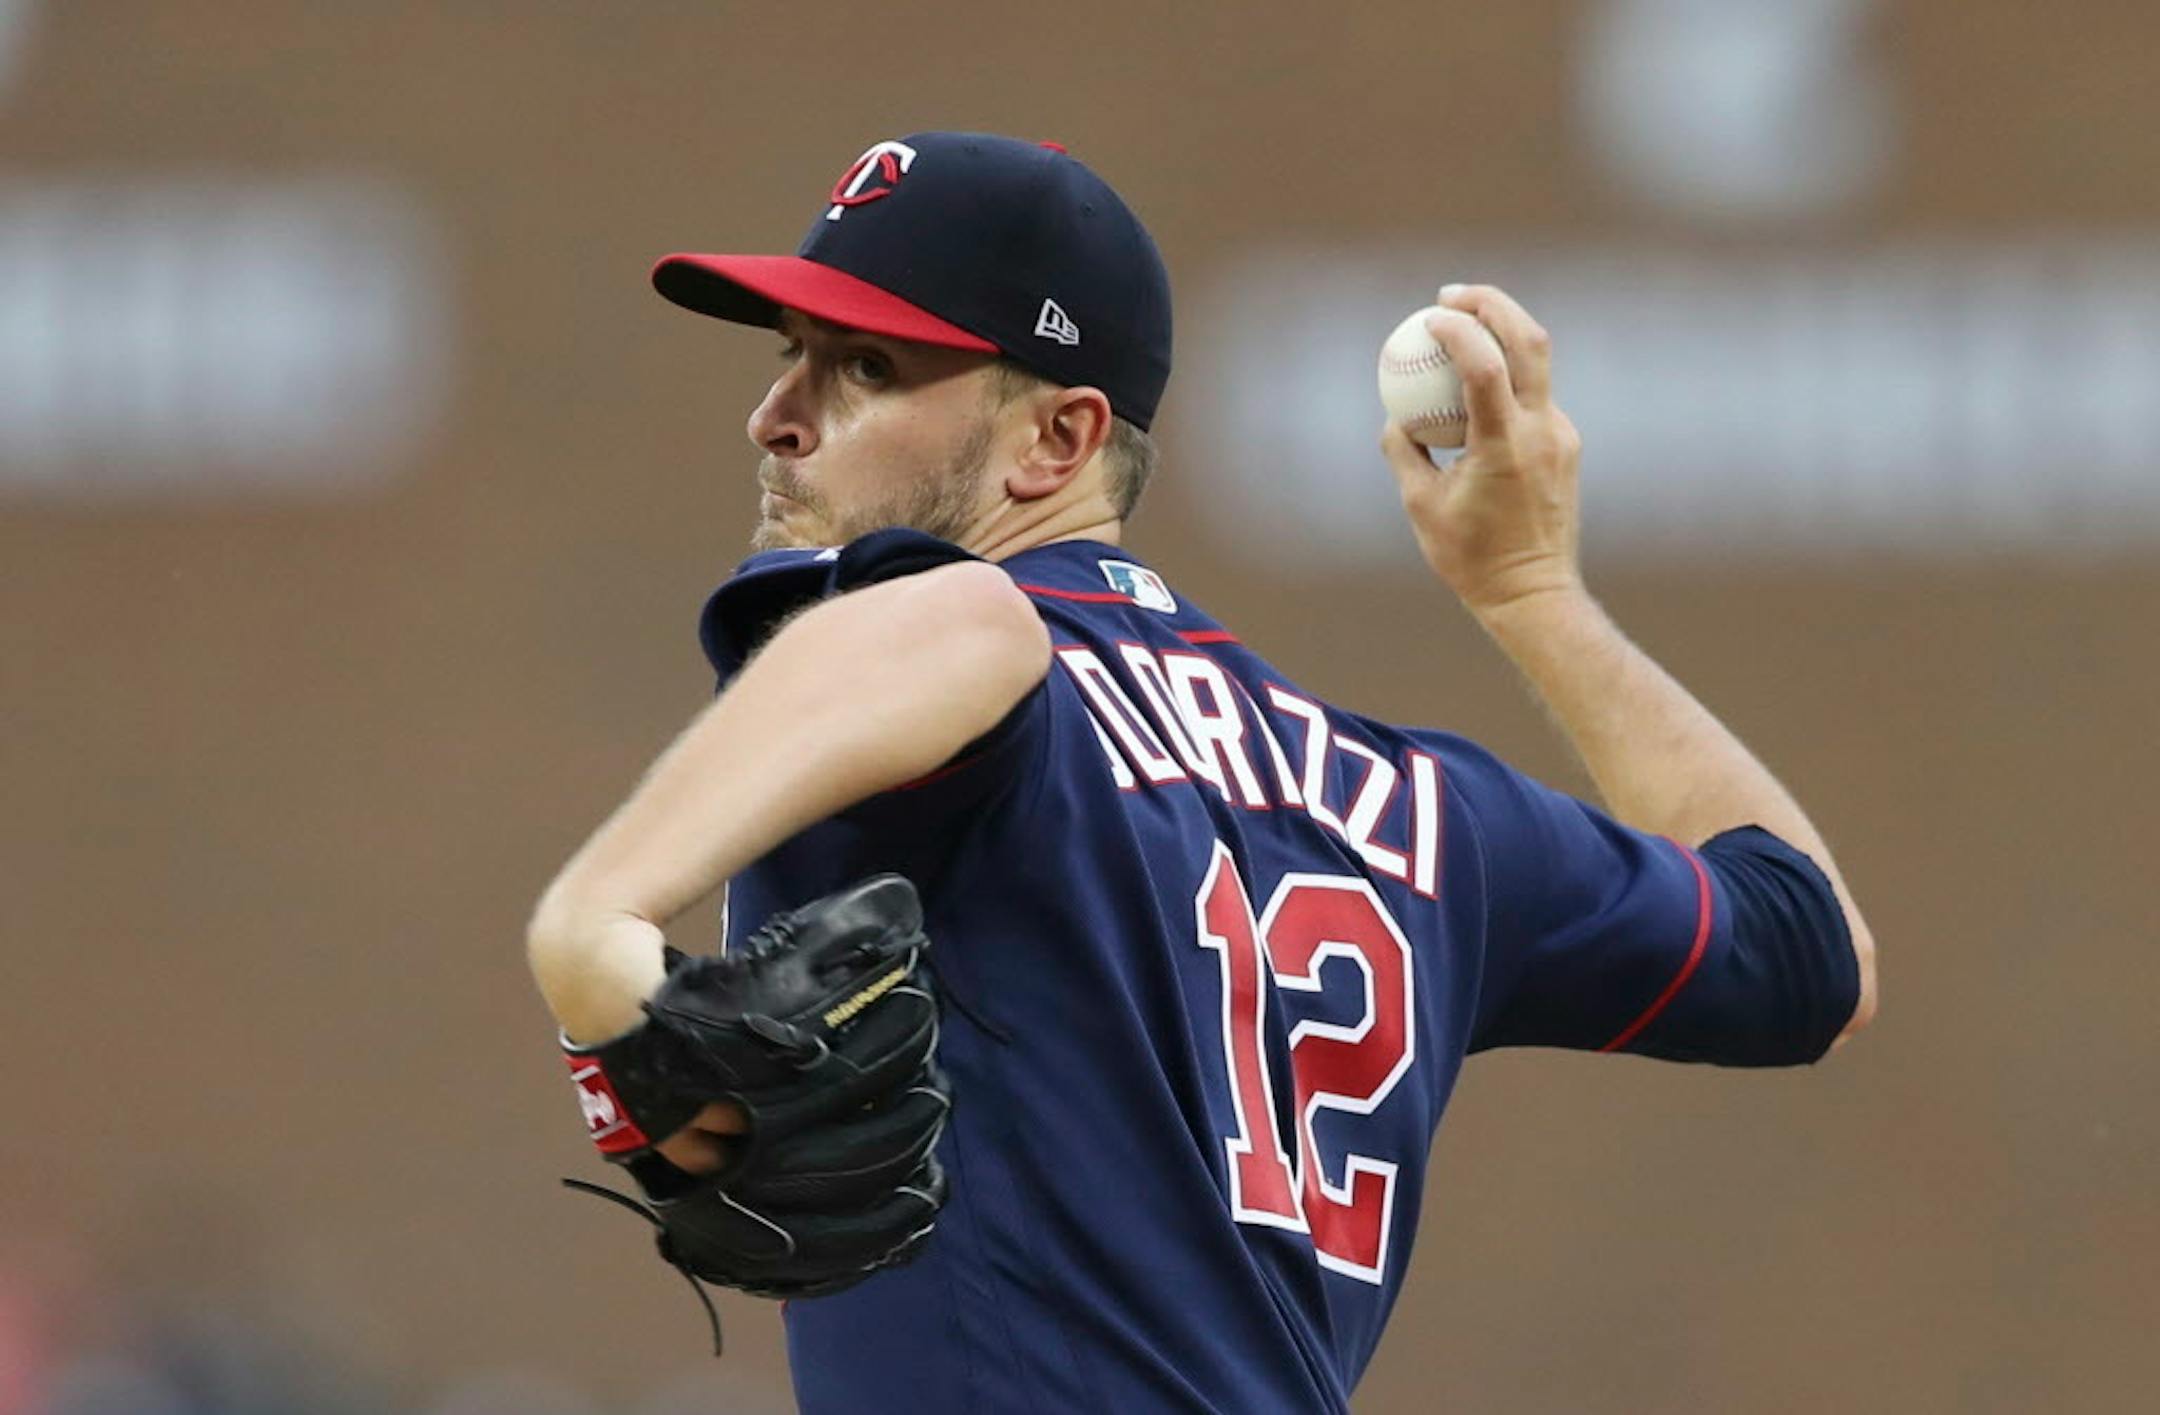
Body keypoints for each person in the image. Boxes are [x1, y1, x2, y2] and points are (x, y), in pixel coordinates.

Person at [525, 131, 1877, 1414]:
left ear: (1058, 442)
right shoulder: (1424, 808)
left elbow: (967, 625)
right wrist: (1534, 594)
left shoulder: (949, 644)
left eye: (864, 368)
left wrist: (596, 940)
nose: (778, 414)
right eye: (789, 353)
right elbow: (1807, 944)